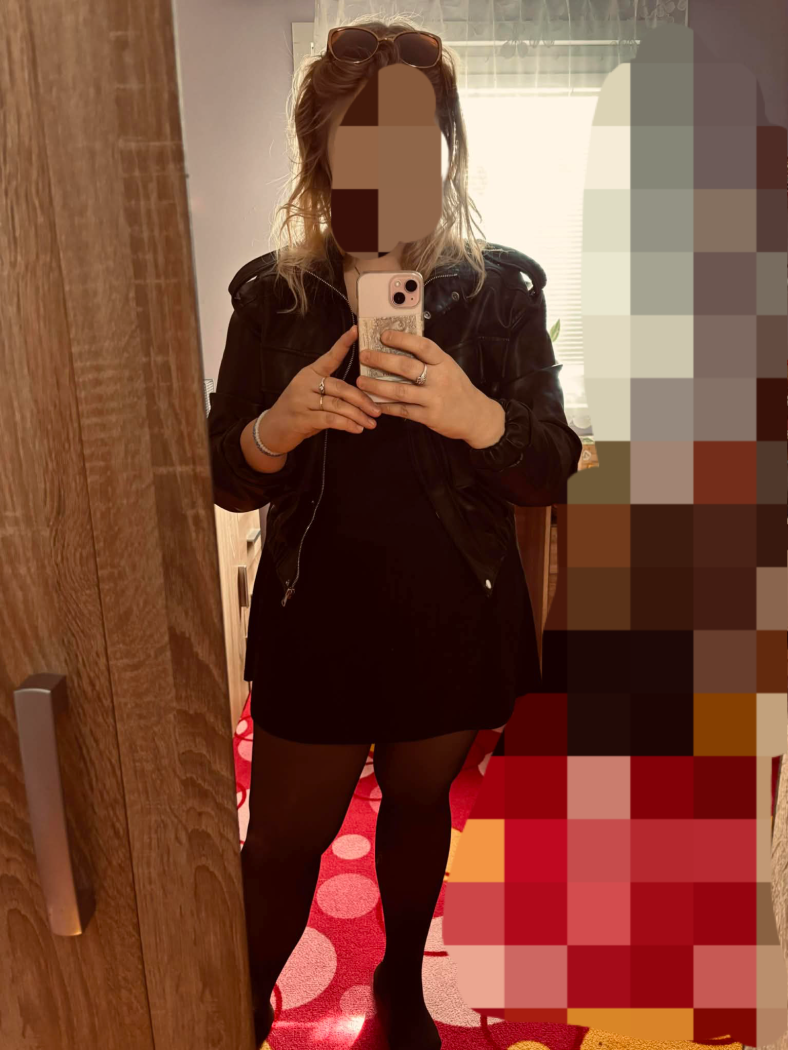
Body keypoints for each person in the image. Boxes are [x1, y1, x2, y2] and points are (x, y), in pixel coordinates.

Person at [207, 18, 582, 1050]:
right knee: (279, 849)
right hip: (315, 629)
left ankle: (400, 985)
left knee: (419, 812)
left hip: (451, 621)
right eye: (364, 136)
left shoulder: (501, 294)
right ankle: (233, 1007)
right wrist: (276, 428)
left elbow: (549, 463)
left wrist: (478, 416)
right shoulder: (269, 297)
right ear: (320, 151)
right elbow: (223, 476)